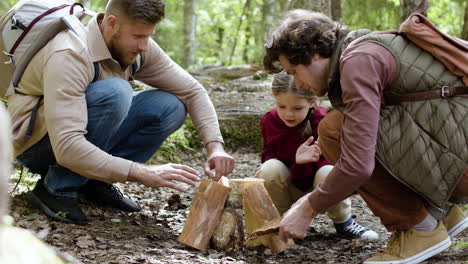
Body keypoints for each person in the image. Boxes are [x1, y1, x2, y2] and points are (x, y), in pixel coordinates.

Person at [263, 9, 467, 264]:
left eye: (294, 71)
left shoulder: (359, 61)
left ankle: (420, 228)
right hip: (455, 146)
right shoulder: (361, 51)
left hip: (461, 157)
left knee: (334, 131)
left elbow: (358, 164)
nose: (299, 84)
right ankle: (441, 215)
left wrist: (308, 207)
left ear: (314, 54)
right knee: (336, 125)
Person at [7, 0, 234, 225]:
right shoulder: (70, 52)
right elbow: (66, 147)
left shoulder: (139, 47)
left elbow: (192, 91)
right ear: (112, 23)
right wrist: (140, 172)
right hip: (37, 143)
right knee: (116, 92)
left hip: (75, 135)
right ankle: (55, 188)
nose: (144, 45)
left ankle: (93, 182)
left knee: (170, 106)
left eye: (148, 36)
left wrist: (215, 147)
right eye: (137, 37)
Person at [256, 72, 378, 240]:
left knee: (329, 171)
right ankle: (283, 222)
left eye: (297, 108)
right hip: (287, 184)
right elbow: (268, 152)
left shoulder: (322, 121)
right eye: (281, 106)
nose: (288, 114)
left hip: (318, 190)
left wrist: (304, 163)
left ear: (312, 102)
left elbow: (333, 162)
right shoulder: (269, 121)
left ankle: (344, 222)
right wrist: (295, 163)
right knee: (269, 167)